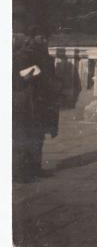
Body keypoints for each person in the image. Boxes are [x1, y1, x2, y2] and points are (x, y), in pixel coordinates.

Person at [13, 26, 60, 182]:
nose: (45, 41)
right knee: (24, 136)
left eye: (46, 38)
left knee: (39, 135)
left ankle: (35, 167)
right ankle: (20, 172)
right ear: (33, 38)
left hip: (41, 100)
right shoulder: (22, 55)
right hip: (28, 100)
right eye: (42, 38)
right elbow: (17, 79)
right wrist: (30, 75)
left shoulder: (44, 55)